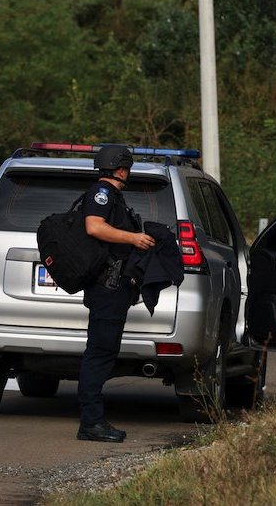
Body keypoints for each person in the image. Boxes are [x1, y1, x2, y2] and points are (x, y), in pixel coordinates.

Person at [77, 145, 156, 443]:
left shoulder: (112, 196)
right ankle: (91, 423)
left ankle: (92, 420)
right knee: (99, 353)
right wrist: (134, 238)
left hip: (114, 287)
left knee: (103, 351)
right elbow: (94, 227)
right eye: (128, 169)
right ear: (121, 170)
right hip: (107, 288)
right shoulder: (102, 194)